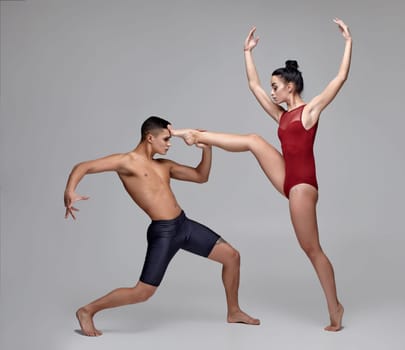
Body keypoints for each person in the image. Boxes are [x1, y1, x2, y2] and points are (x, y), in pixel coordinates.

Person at [170, 18, 352, 331]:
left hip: (303, 186)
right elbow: (253, 86)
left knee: (311, 249)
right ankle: (194, 135)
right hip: (286, 176)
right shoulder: (281, 116)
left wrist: (348, 42)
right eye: (272, 87)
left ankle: (335, 308)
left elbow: (339, 79)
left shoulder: (308, 112)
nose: (271, 91)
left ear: (290, 87)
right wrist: (247, 52)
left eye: (276, 87)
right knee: (254, 140)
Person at [64, 116, 260, 337]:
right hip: (163, 233)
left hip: (184, 226)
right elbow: (83, 166)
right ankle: (87, 311)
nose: (169, 144)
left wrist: (207, 148)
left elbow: (200, 176)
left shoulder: (163, 165)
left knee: (232, 257)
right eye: (166, 139)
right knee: (143, 292)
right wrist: (70, 191)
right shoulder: (126, 162)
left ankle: (233, 311)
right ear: (150, 137)